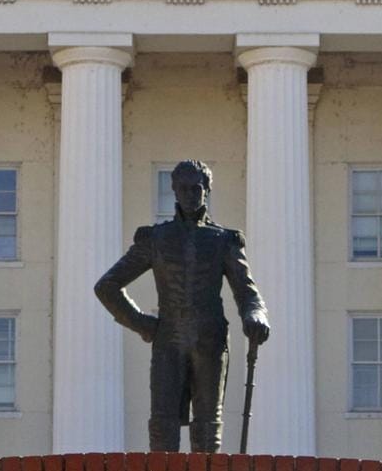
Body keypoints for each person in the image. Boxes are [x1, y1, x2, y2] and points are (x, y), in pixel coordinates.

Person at [94, 159, 269, 452]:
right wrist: (143, 324)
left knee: (208, 428)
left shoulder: (224, 240)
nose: (190, 195)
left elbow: (247, 292)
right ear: (174, 191)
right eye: (184, 189)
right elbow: (106, 286)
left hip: (209, 341)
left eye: (197, 189)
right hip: (169, 340)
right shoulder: (156, 239)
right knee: (162, 427)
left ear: (207, 191)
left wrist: (256, 315)